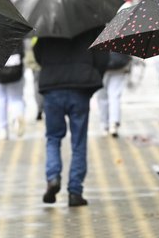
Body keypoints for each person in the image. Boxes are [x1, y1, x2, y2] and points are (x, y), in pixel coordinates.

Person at [33, 26, 109, 207]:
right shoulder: (92, 25)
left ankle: (52, 178)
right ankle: (75, 191)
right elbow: (102, 57)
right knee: (78, 142)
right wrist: (93, 76)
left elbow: (38, 55)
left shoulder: (48, 24)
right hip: (80, 89)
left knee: (53, 138)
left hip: (52, 89)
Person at [0, 46, 26, 140]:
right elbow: (23, 52)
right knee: (16, 98)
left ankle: (3, 129)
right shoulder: (18, 31)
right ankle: (17, 117)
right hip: (16, 68)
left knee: (0, 99)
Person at [96, 51, 131, 137]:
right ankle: (113, 123)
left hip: (101, 65)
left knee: (102, 97)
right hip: (120, 64)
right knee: (115, 95)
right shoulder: (123, 36)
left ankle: (104, 125)